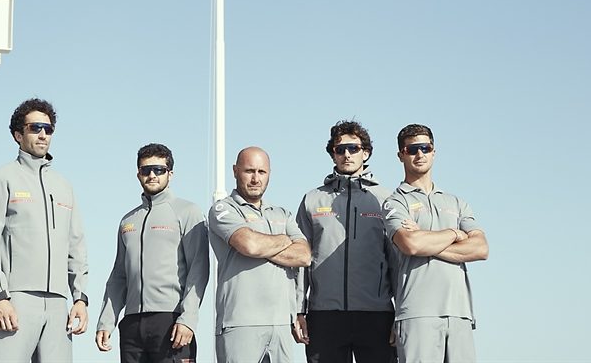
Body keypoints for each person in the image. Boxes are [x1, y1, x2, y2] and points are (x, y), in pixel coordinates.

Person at [0, 98, 89, 363]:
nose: (43, 134)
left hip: (59, 304)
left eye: (48, 129)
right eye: (35, 128)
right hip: (16, 299)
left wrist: (80, 299)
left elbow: (76, 246)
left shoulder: (64, 186)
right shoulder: (1, 179)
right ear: (18, 134)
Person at [95, 143, 210, 363]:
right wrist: (106, 321)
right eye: (146, 170)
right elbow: (119, 276)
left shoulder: (187, 212)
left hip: (171, 322)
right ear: (138, 174)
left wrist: (188, 319)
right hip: (132, 325)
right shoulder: (128, 221)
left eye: (159, 170)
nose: (152, 175)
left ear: (170, 174)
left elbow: (199, 269)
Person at [383, 124, 489, 363]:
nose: (419, 154)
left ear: (434, 152)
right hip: (417, 312)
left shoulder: (457, 203)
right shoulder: (395, 202)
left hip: (460, 312)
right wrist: (454, 233)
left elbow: (481, 249)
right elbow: (411, 245)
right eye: (412, 149)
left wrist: (427, 239)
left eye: (425, 148)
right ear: (401, 155)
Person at [294, 120, 396, 363]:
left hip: (377, 315)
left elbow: (397, 261)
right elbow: (299, 260)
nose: (347, 154)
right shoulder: (313, 200)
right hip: (324, 315)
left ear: (366, 153)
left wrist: (402, 313)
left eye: (353, 148)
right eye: (340, 149)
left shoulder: (386, 200)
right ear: (333, 154)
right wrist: (298, 310)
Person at [209, 146, 311, 363]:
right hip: (240, 324)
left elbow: (304, 256)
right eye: (249, 171)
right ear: (235, 171)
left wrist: (262, 245)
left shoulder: (283, 214)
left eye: (261, 172)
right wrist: (284, 240)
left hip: (281, 326)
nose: (256, 178)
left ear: (269, 174)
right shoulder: (223, 209)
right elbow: (249, 245)